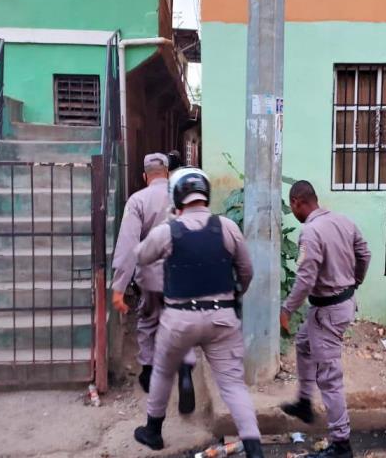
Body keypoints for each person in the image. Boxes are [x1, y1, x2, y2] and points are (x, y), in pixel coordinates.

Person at [132, 167, 264, 458]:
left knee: (163, 371)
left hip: (179, 320)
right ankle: (254, 449)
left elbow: (141, 256)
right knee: (233, 385)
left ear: (177, 198)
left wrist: (167, 224)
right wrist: (234, 296)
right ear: (206, 194)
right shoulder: (227, 227)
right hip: (222, 318)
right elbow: (246, 270)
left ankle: (153, 431)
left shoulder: (168, 231)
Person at [279, 180, 371, 458]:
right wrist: (355, 282)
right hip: (339, 305)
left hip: (328, 312)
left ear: (297, 202)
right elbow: (364, 253)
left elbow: (306, 278)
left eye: (292, 206)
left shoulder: (310, 232)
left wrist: (287, 309)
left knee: (330, 378)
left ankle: (341, 444)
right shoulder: (343, 221)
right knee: (304, 343)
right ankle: (304, 402)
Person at [110, 153, 197, 414]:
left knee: (148, 322)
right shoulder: (183, 198)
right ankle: (185, 372)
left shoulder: (138, 201)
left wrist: (119, 287)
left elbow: (128, 246)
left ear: (144, 176)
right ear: (168, 174)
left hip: (150, 278)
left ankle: (148, 373)